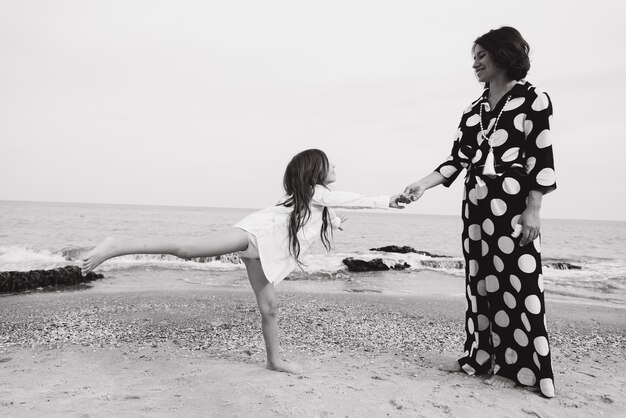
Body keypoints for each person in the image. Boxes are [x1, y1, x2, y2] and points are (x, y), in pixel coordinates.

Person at [81, 148, 411, 374]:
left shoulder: (311, 198)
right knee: (186, 248)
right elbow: (348, 200)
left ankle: (274, 361)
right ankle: (114, 246)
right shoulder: (316, 191)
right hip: (251, 236)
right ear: (315, 172)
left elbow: (325, 209)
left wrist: (335, 222)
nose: (335, 167)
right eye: (330, 163)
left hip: (261, 253)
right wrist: (388, 200)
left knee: (269, 309)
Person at [404, 27, 556, 397]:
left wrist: (534, 209)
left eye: (481, 56)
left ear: (502, 54)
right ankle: (483, 357)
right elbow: (457, 159)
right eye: (473, 57)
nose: (475, 64)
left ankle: (533, 370)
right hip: (475, 206)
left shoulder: (533, 99)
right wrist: (423, 184)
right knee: (481, 283)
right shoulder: (473, 110)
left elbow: (541, 157)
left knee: (521, 284)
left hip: (514, 205)